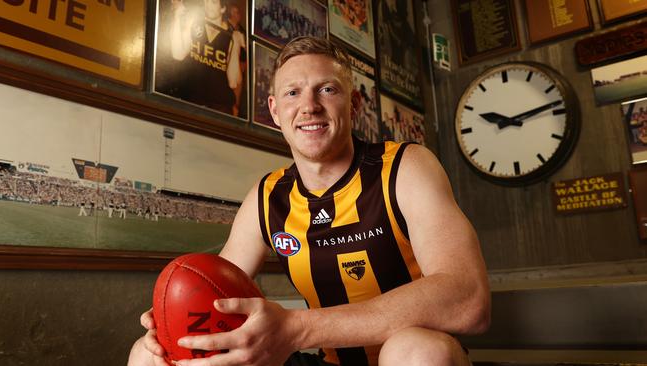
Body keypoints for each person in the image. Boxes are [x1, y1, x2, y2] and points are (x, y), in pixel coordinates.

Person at [128, 36, 490, 366]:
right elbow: (212, 290)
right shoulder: (268, 197)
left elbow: (469, 300)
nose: (309, 107)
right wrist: (173, 319)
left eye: (327, 89)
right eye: (292, 93)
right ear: (273, 110)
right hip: (324, 361)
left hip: (411, 356)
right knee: (146, 355)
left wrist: (297, 328)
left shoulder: (404, 167)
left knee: (414, 350)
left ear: (354, 103)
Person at [169, 0, 245, 115]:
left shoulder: (230, 35)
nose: (208, 5)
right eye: (206, 1)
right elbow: (178, 54)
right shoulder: (194, 23)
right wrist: (176, 16)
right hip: (191, 100)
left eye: (213, 2)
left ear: (223, 8)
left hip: (220, 107)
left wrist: (236, 46)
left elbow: (233, 82)